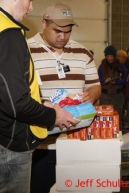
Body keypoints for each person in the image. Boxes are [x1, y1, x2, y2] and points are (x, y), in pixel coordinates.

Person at [0, 1, 77, 192]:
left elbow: (4, 90)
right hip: (10, 147)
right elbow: (17, 104)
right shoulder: (8, 34)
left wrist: (40, 104)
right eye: (28, 0)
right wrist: (54, 116)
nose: (30, 7)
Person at [28, 3, 101, 192]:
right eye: (57, 31)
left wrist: (91, 95)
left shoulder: (83, 53)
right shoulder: (26, 51)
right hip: (40, 145)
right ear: (43, 23)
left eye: (67, 32)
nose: (63, 37)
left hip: (76, 141)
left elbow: (95, 86)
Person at [98, 45, 126, 125]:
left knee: (117, 116)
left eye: (111, 56)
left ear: (114, 56)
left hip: (117, 95)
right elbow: (98, 79)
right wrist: (104, 81)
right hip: (105, 95)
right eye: (107, 56)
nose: (109, 58)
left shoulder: (120, 65)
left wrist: (117, 82)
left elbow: (126, 79)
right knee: (104, 117)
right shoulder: (102, 66)